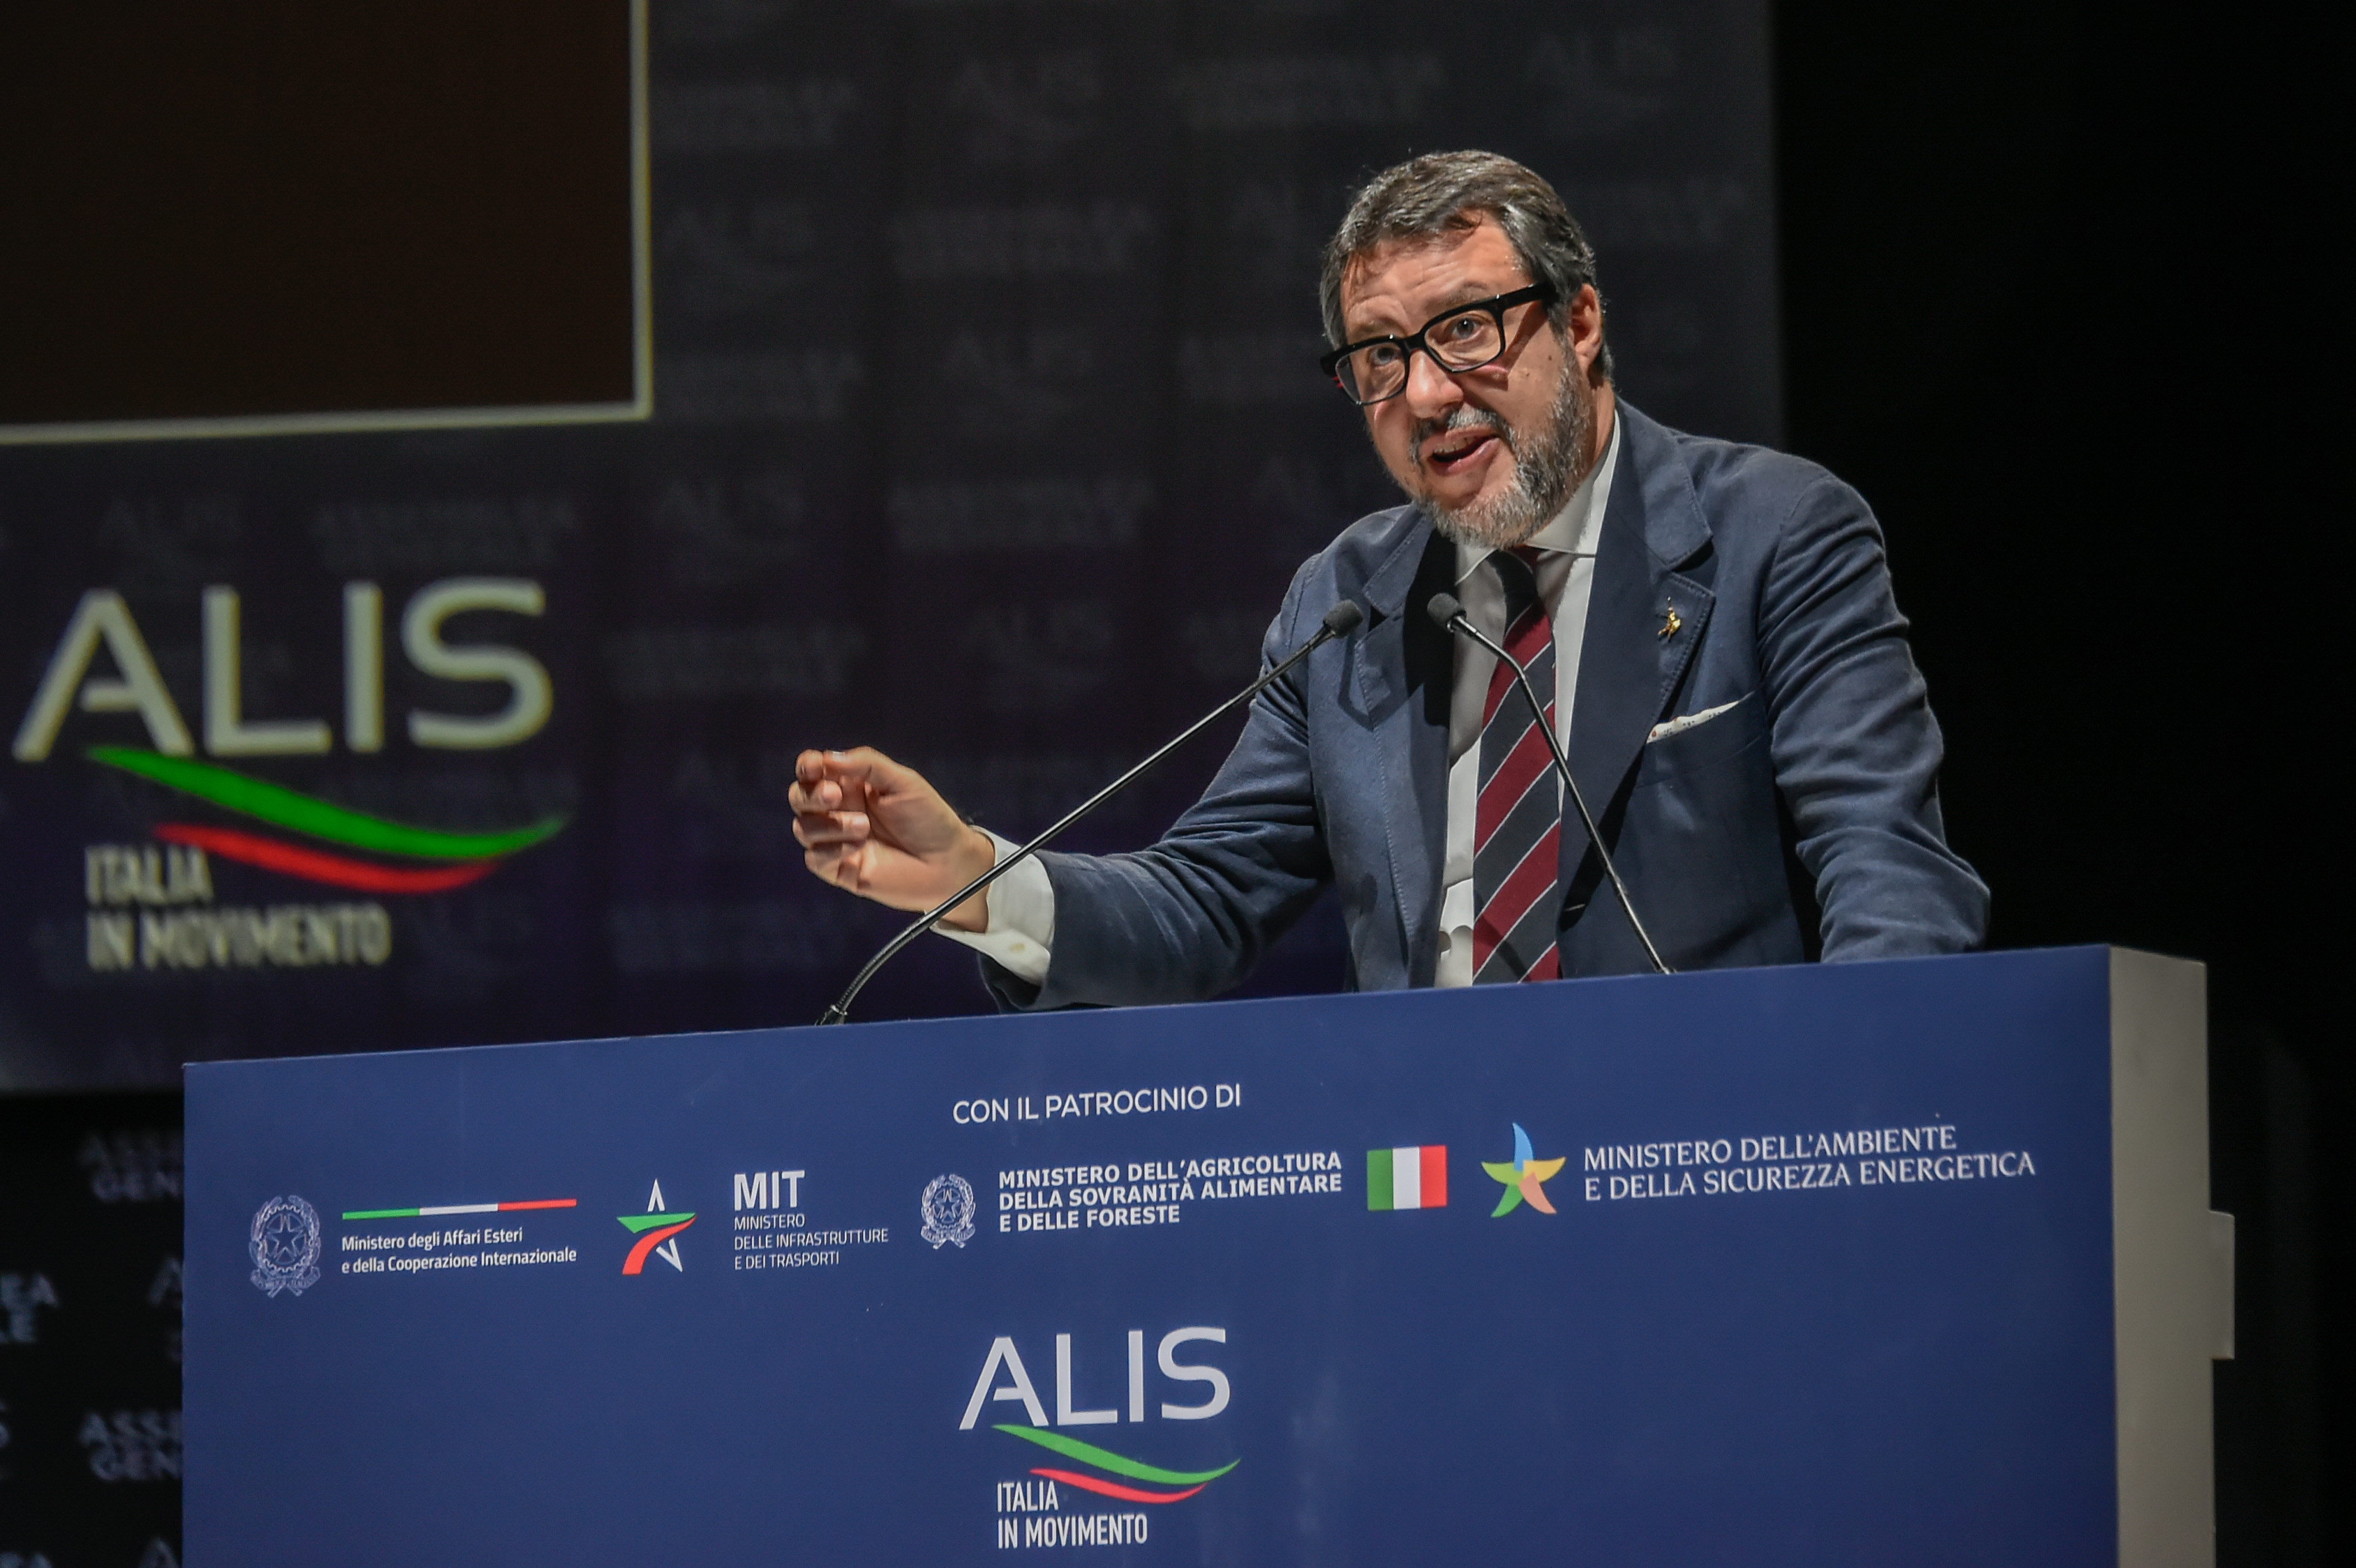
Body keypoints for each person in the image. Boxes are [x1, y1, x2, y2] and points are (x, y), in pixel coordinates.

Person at [791, 150, 1986, 1007]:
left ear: (1578, 323)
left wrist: (1855, 1122)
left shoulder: (1776, 534)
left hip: (1704, 1165)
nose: (1424, 393)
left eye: (1467, 328)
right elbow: (1205, 902)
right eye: (1378, 355)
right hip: (1427, 1187)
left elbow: (1886, 863)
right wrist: (977, 877)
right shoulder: (1346, 601)